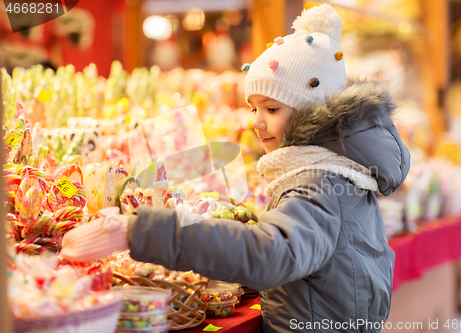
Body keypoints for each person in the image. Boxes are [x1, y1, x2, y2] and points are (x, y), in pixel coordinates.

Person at [61, 4, 410, 332]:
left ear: (313, 110)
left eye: (271, 109)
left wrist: (139, 231)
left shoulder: (316, 180)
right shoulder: (333, 166)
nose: (256, 123)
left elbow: (270, 255)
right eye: (252, 108)